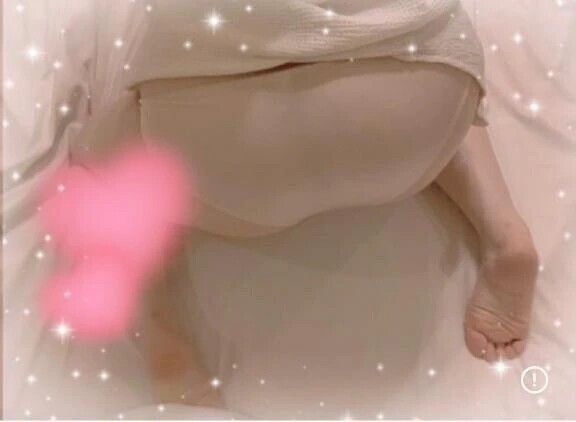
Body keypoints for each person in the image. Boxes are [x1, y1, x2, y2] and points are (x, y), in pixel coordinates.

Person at [68, 0, 540, 408]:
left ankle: (165, 340)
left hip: (224, 150)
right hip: (419, 111)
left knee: (100, 161)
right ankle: (505, 233)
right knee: (434, 61)